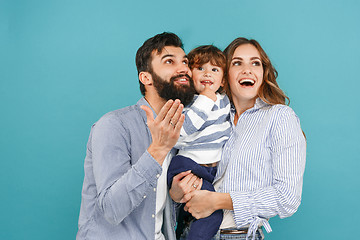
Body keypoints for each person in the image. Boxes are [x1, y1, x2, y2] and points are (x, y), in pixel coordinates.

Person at [76, 32, 201, 240]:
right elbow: (112, 210)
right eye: (169, 61)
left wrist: (175, 196)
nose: (184, 69)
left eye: (185, 62)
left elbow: (158, 209)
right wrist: (158, 149)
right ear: (146, 78)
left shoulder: (182, 130)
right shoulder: (114, 125)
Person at [181, 38, 307, 240]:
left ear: (263, 73)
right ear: (225, 75)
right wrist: (178, 189)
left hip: (236, 235)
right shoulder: (212, 115)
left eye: (255, 63)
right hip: (188, 231)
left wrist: (217, 201)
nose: (247, 70)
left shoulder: (279, 116)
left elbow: (288, 197)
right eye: (237, 63)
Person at [167, 45, 231, 240]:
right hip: (187, 165)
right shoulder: (187, 102)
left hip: (211, 171)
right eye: (200, 68)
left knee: (192, 212)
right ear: (189, 75)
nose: (207, 74)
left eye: (214, 69)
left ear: (222, 80)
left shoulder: (225, 101)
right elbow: (182, 132)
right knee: (213, 212)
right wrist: (204, 99)